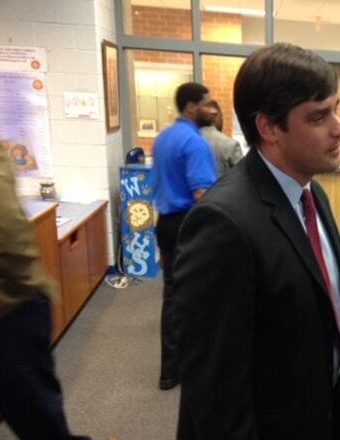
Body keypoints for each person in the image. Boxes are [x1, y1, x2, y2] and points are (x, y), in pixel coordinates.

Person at [174, 43, 340, 439]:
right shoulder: (222, 224)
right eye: (319, 116)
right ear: (269, 128)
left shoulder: (313, 196)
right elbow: (215, 393)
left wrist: (336, 402)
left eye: (336, 109)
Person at [0, 147, 89, 440]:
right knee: (40, 419)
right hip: (12, 306)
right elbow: (9, 233)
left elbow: (7, 231)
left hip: (10, 308)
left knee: (38, 420)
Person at [151, 81, 217, 390]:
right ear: (191, 106)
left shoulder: (162, 139)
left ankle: (169, 370)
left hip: (165, 224)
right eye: (207, 103)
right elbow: (204, 194)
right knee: (199, 295)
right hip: (189, 227)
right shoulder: (194, 143)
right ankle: (195, 367)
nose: (211, 109)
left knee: (172, 295)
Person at [200, 99, 243, 178]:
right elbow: (243, 178)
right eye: (221, 116)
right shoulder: (230, 145)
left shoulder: (188, 140)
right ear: (215, 118)